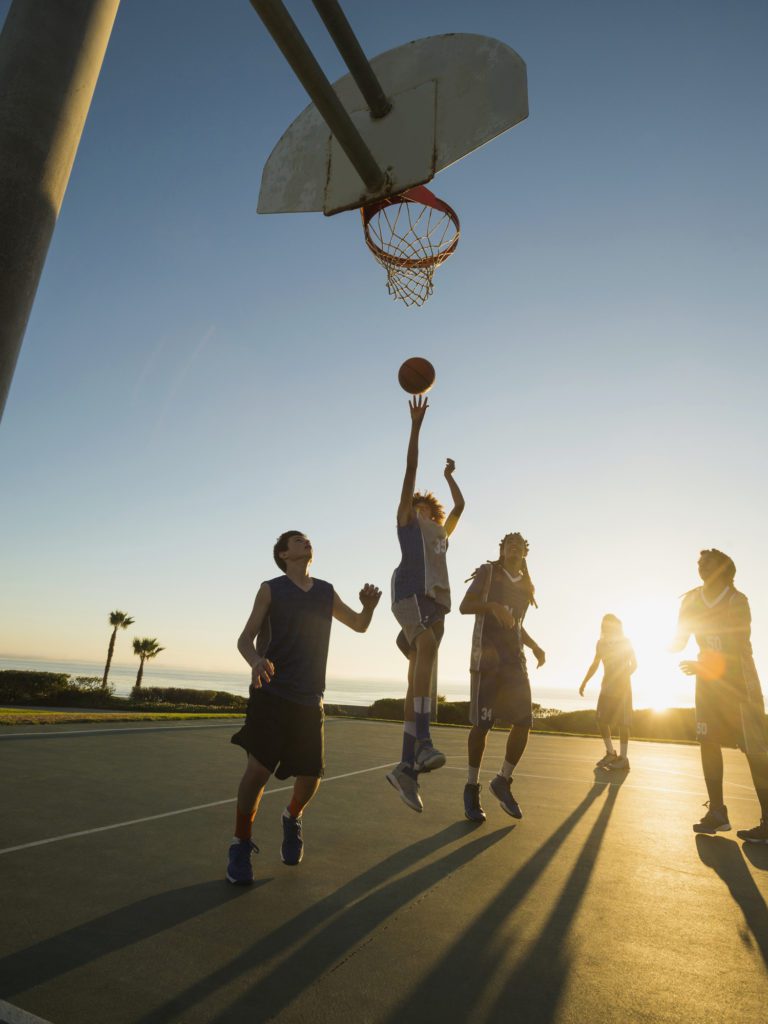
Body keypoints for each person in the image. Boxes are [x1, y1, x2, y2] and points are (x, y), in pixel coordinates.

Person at [227, 531, 381, 883]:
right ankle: (240, 844)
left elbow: (358, 625)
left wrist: (369, 608)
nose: (306, 543)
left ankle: (292, 817)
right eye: (297, 541)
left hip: (310, 698)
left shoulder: (325, 592)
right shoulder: (271, 588)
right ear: (283, 554)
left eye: (308, 540)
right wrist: (254, 660)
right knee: (257, 772)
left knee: (311, 778)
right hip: (271, 692)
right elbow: (244, 639)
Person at [386, 395, 465, 813]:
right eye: (416, 504)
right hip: (408, 593)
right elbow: (410, 471)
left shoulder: (439, 533)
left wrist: (450, 477)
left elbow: (460, 507)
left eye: (426, 506)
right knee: (427, 652)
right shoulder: (406, 523)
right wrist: (416, 427)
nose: (421, 508)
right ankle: (425, 742)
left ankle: (406, 767)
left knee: (422, 675)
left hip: (437, 602)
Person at [670, 548, 768, 842]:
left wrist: (702, 664)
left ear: (723, 569)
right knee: (708, 741)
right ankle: (717, 812)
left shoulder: (737, 601)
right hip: (708, 681)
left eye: (707, 562)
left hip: (739, 681)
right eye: (698, 561)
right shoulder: (691, 600)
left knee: (755, 750)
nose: (700, 565)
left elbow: (735, 646)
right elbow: (679, 641)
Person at [459, 532, 545, 822]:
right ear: (502, 548)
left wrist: (534, 647)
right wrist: (492, 606)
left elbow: (517, 625)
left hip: (514, 663)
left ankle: (503, 780)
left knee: (524, 722)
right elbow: (464, 607)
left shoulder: (526, 586)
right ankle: (471, 787)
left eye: (520, 545)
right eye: (510, 543)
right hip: (487, 660)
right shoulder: (488, 573)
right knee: (483, 724)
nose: (515, 547)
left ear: (525, 553)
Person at [579, 614, 637, 772]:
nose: (607, 628)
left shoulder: (625, 642)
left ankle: (624, 759)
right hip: (606, 688)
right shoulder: (601, 644)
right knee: (601, 720)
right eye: (604, 625)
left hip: (623, 689)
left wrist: (624, 677)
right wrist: (584, 681)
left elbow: (635, 664)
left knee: (623, 724)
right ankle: (611, 753)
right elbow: (595, 664)